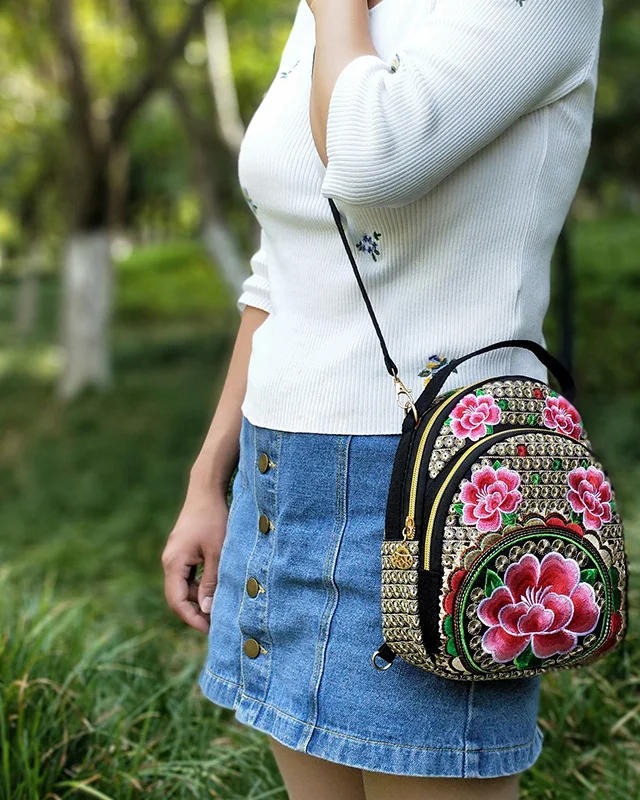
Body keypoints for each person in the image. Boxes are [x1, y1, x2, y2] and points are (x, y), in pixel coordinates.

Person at [161, 0, 604, 796]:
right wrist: (207, 479)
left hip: (436, 487)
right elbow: (281, 270)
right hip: (280, 478)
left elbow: (369, 162)